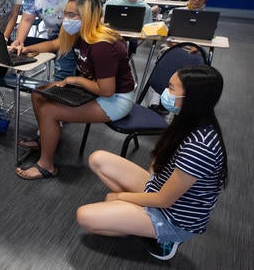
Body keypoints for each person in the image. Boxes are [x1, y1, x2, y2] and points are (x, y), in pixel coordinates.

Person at [76, 65, 228, 261]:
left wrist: (122, 197)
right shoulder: (189, 119)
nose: (166, 92)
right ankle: (136, 220)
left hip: (174, 218)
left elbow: (165, 200)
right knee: (97, 159)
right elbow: (159, 163)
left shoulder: (200, 147)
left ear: (191, 97)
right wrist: (132, 196)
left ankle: (165, 238)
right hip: (160, 189)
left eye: (172, 88)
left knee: (85, 217)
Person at [13, 0, 135, 180]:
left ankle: (47, 166)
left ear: (87, 18)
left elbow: (107, 90)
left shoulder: (103, 45)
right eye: (65, 14)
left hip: (115, 99)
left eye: (72, 15)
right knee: (38, 95)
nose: (66, 19)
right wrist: (26, 48)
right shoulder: (79, 34)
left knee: (49, 111)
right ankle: (45, 140)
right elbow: (55, 44)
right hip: (93, 88)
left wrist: (75, 80)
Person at [12, 0, 94, 81]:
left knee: (64, 70)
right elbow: (27, 19)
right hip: (54, 30)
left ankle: (63, 93)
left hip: (76, 31)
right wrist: (19, 42)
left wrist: (29, 49)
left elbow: (60, 42)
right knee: (62, 70)